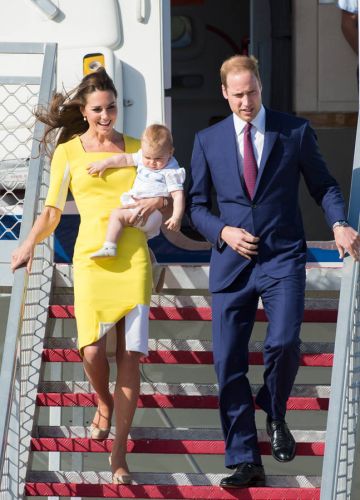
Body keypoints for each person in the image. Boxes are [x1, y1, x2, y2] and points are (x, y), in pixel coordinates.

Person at [186, 54, 360, 488]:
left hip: (282, 257)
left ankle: (275, 408)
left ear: (261, 87)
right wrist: (223, 231)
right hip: (231, 264)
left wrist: (339, 223)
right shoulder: (207, 140)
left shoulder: (293, 130)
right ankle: (245, 459)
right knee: (228, 362)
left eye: (253, 92)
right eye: (238, 94)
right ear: (225, 93)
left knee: (283, 341)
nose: (247, 101)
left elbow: (325, 185)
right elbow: (195, 207)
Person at [11, 67, 168, 485]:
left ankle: (119, 451)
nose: (106, 116)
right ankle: (103, 401)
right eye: (98, 109)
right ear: (83, 110)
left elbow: (166, 197)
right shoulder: (68, 153)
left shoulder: (138, 148)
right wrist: (28, 244)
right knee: (94, 351)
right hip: (91, 259)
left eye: (112, 107)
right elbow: (51, 211)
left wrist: (158, 206)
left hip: (133, 255)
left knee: (130, 355)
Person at [88, 123, 185, 259]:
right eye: (148, 157)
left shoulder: (171, 171)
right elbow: (124, 159)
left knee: (117, 215)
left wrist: (176, 217)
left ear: (170, 152)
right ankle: (150, 259)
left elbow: (178, 195)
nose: (152, 163)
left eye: (158, 159)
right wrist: (105, 163)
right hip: (142, 211)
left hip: (151, 214)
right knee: (136, 238)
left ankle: (109, 246)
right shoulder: (141, 157)